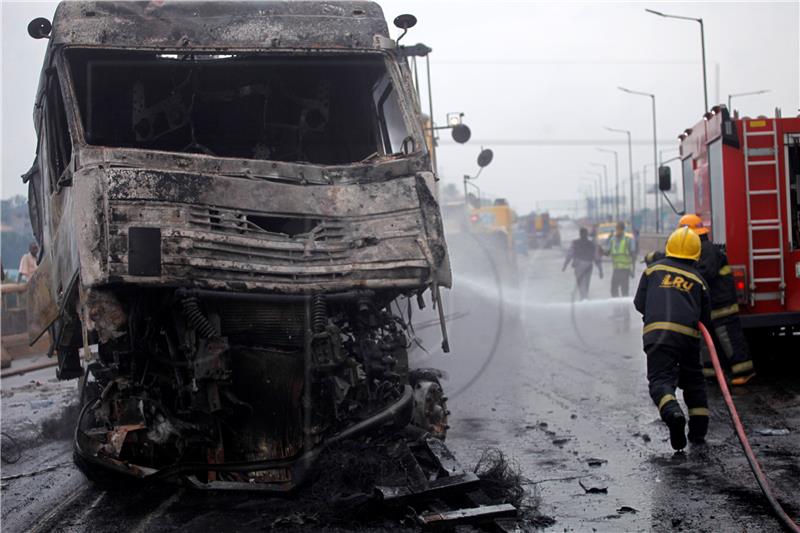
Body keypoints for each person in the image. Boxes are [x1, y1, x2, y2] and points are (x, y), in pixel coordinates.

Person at [644, 214, 755, 386]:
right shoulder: (698, 249)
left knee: (728, 338)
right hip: (711, 305)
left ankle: (744, 371)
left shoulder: (707, 250)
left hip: (722, 305)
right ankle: (711, 373)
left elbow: (703, 273)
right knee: (709, 341)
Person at [634, 227, 712, 450]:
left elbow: (639, 304)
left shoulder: (652, 271)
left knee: (660, 380)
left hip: (657, 336)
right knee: (695, 381)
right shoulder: (698, 280)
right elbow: (706, 318)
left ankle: (673, 413)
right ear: (695, 254)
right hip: (687, 337)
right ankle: (698, 432)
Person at [563, 227, 603, 300]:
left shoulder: (575, 243)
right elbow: (597, 257)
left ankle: (583, 298)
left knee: (580, 284)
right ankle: (585, 298)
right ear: (587, 234)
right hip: (588, 266)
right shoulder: (592, 244)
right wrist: (600, 270)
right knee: (586, 284)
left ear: (580, 234)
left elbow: (569, 254)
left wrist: (565, 265)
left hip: (578, 266)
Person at [604, 221, 636, 297]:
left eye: (620, 229)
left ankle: (625, 308)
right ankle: (616, 307)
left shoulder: (628, 240)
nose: (618, 230)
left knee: (624, 290)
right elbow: (607, 253)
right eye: (617, 229)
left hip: (625, 270)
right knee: (613, 289)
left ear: (623, 230)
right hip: (616, 269)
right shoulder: (612, 240)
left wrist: (633, 271)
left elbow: (633, 256)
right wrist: (601, 251)